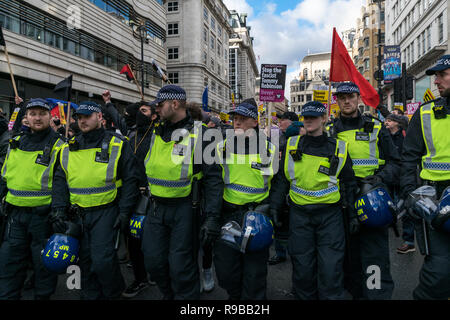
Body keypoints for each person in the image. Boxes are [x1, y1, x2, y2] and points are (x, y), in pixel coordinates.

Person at [141, 85, 223, 300]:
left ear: (174, 104)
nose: (156, 109)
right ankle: (170, 295)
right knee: (154, 261)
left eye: (159, 105)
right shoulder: (155, 130)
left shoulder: (204, 134)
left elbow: (214, 179)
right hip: (156, 208)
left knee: (181, 267)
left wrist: (213, 218)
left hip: (186, 209)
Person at [51, 101, 139, 300]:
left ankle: (114, 293)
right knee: (83, 262)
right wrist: (58, 210)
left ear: (100, 117)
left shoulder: (117, 143)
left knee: (103, 261)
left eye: (87, 117)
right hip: (77, 214)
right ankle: (90, 296)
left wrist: (125, 211)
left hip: (105, 211)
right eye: (79, 117)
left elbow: (131, 180)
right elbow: (59, 181)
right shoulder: (68, 147)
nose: (82, 121)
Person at [270, 101, 357, 300]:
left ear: (324, 119)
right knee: (302, 268)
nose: (308, 120)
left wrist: (352, 215)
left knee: (331, 267)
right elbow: (282, 179)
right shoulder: (292, 144)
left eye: (313, 117)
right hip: (300, 216)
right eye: (305, 117)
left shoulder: (339, 148)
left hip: (330, 216)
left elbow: (349, 184)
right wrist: (275, 206)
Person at [328, 82, 401, 300]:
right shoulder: (330, 131)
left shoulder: (376, 126)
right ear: (337, 101)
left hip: (371, 199)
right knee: (349, 258)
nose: (346, 101)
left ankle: (376, 295)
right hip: (342, 202)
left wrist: (379, 179)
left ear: (358, 98)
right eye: (341, 97)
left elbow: (396, 162)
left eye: (350, 96)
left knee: (374, 257)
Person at [207, 101, 277, 300]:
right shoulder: (220, 147)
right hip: (228, 216)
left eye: (242, 119)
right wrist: (211, 216)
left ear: (254, 122)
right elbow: (212, 182)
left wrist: (274, 209)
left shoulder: (269, 149)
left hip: (257, 217)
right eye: (235, 119)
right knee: (226, 271)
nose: (236, 123)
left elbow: (278, 182)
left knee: (254, 276)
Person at [0, 98, 65, 299]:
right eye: (33, 113)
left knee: (43, 268)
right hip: (15, 215)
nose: (37, 118)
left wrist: (59, 209)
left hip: (43, 217)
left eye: (42, 113)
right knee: (9, 264)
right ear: (26, 117)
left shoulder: (59, 144)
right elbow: (5, 174)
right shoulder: (15, 142)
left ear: (49, 116)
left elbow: (62, 180)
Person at [400, 55, 450, 300]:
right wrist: (411, 193)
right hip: (436, 202)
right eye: (435, 76)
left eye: (442, 75)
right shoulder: (426, 112)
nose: (436, 81)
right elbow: (408, 156)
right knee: (438, 272)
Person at [122, 101, 158, 298]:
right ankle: (140, 278)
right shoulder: (132, 135)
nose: (139, 114)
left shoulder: (157, 136)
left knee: (152, 239)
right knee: (133, 239)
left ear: (154, 116)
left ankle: (155, 271)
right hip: (132, 193)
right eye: (139, 111)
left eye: (144, 111)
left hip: (152, 195)